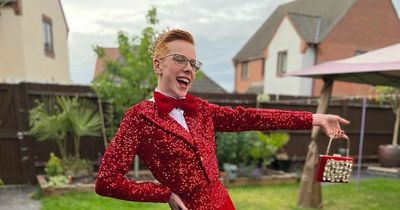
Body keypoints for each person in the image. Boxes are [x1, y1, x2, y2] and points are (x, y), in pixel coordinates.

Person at [95, 29, 349, 210]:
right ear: (157, 65)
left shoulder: (201, 110)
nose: (189, 68)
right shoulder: (138, 118)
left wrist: (315, 118)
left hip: (223, 202)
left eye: (193, 63)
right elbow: (107, 181)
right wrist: (164, 193)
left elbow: (252, 117)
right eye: (180, 59)